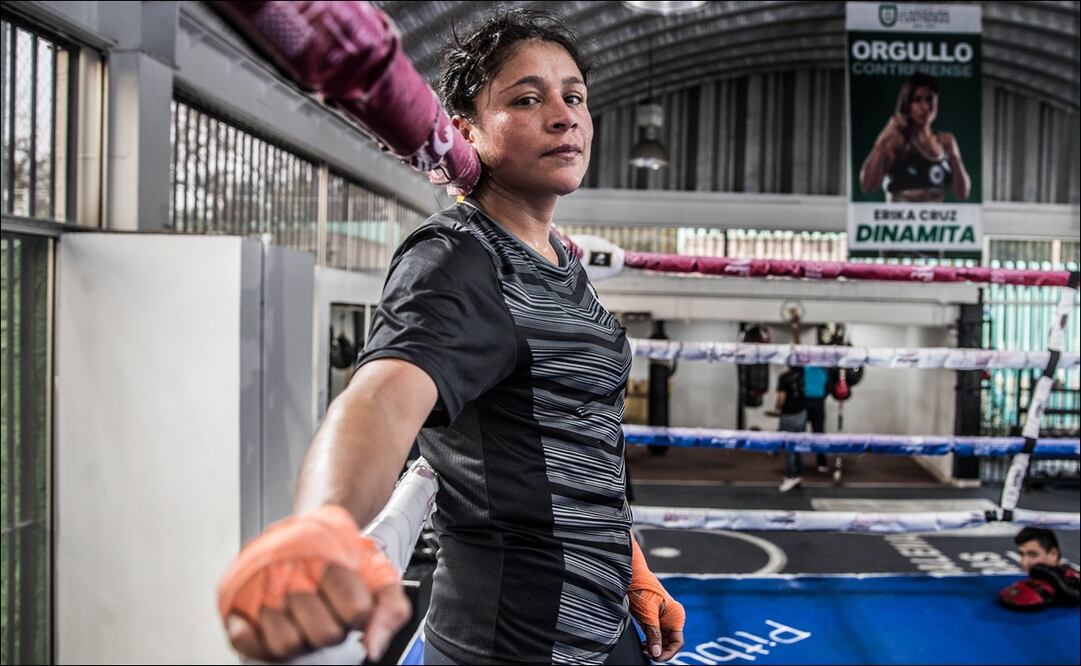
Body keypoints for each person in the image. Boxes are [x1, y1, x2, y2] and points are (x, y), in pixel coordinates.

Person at [215, 9, 684, 665]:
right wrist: (322, 524)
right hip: (512, 647)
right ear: (464, 131)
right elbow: (379, 398)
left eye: (573, 95)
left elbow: (582, 440)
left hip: (603, 631)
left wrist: (632, 572)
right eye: (526, 98)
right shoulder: (457, 258)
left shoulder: (563, 263)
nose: (563, 115)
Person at [859, 71, 972, 203]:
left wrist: (954, 156)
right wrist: (881, 142)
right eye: (917, 100)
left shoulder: (944, 142)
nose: (925, 107)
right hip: (900, 220)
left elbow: (963, 193)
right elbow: (867, 186)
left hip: (933, 221)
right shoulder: (899, 141)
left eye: (930, 99)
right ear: (907, 104)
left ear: (937, 102)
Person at [999, 527, 1080, 610]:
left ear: (1053, 554)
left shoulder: (1072, 578)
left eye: (1033, 554)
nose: (1024, 562)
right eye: (1021, 554)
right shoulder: (1021, 583)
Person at [775, 366, 807, 492]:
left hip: (789, 414)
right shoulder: (804, 375)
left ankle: (790, 476)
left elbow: (781, 398)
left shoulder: (784, 377)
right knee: (799, 444)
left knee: (789, 446)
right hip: (802, 413)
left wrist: (777, 407)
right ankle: (798, 474)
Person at [802, 364, 830, 473]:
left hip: (806, 402)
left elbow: (799, 386)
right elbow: (828, 389)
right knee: (819, 433)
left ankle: (797, 463)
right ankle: (822, 463)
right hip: (818, 403)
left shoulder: (804, 370)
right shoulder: (823, 372)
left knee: (800, 433)